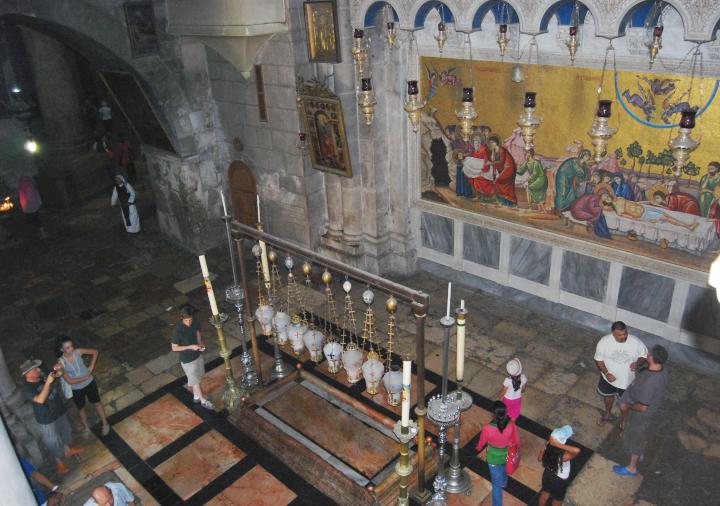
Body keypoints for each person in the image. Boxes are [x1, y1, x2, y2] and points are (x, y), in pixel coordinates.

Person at [614, 345, 669, 477]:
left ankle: (632, 467)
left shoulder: (650, 382)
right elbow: (646, 365)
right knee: (636, 435)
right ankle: (637, 453)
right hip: (645, 405)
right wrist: (639, 364)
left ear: (652, 358)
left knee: (636, 438)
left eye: (648, 354)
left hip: (640, 414)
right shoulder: (661, 368)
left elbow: (643, 406)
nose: (647, 354)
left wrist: (627, 406)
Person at [20, 359, 82, 474]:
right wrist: (48, 382)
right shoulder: (26, 389)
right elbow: (40, 399)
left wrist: (59, 370)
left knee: (66, 432)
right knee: (52, 441)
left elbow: (57, 374)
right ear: (28, 374)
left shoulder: (42, 375)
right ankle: (59, 463)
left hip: (59, 410)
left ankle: (68, 451)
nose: (39, 369)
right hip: (46, 419)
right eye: (35, 369)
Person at [594, 321, 648, 426]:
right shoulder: (604, 342)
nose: (623, 337)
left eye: (625, 333)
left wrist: (638, 363)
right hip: (608, 379)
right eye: (619, 335)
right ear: (613, 333)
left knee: (625, 404)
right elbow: (598, 360)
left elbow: (644, 356)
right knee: (608, 397)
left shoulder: (636, 342)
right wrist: (607, 373)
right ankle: (608, 413)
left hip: (627, 382)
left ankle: (624, 419)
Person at [56, 336, 110, 437]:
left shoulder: (78, 352)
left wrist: (91, 366)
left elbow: (95, 352)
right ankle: (86, 428)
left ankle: (105, 423)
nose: (71, 349)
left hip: (90, 383)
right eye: (67, 348)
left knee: (97, 403)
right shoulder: (61, 363)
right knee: (81, 408)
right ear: (61, 349)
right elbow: (70, 381)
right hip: (77, 388)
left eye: (71, 346)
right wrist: (85, 378)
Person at [475, 401, 520, 506]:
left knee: (496, 485)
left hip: (493, 457)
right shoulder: (511, 426)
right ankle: (504, 481)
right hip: (506, 454)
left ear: (492, 414)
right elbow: (516, 441)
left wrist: (478, 448)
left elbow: (481, 442)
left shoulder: (487, 428)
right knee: (504, 468)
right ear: (506, 412)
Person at [171, 305, 214, 410]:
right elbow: (174, 348)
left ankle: (196, 397)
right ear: (182, 318)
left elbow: (197, 333)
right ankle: (203, 401)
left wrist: (200, 345)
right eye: (186, 320)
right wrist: (190, 346)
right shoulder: (178, 331)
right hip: (187, 361)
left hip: (197, 356)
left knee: (198, 377)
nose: (189, 322)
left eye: (190, 319)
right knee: (195, 382)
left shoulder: (195, 323)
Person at [537, 425, 581, 506]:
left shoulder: (546, 447)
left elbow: (539, 458)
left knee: (544, 494)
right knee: (558, 499)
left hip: (547, 474)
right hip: (560, 480)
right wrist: (558, 445)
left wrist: (550, 443)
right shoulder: (563, 457)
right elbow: (577, 450)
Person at [488, 135, 518, 206]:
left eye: (493, 142)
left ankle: (511, 202)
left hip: (509, 168)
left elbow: (501, 161)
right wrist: (494, 175)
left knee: (500, 182)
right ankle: (503, 201)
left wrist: (492, 162)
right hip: (503, 169)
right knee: (500, 183)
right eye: (490, 143)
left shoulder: (501, 150)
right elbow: (494, 164)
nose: (491, 144)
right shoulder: (494, 151)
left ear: (496, 142)